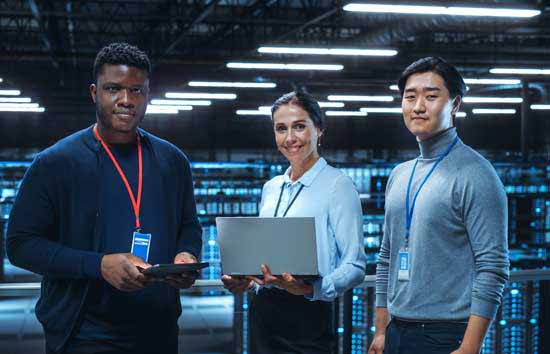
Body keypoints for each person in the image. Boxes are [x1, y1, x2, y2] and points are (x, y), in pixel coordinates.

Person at [6, 43, 202, 354]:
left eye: (137, 90)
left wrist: (186, 256)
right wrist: (98, 266)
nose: (126, 100)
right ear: (95, 92)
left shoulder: (172, 161)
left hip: (158, 329)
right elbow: (20, 244)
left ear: (148, 94)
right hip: (84, 333)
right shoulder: (55, 163)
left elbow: (189, 226)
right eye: (114, 89)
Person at [368, 57, 509, 354]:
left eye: (431, 96)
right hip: (396, 330)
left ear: (455, 105)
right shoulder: (399, 174)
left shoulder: (476, 174)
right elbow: (386, 258)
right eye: (410, 96)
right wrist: (381, 331)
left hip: (446, 335)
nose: (418, 106)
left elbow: (492, 267)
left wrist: (470, 347)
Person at [222, 91, 367, 354]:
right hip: (263, 314)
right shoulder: (271, 188)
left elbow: (355, 264)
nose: (290, 138)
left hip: (307, 316)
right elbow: (265, 258)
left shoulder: (338, 186)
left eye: (299, 127)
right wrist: (247, 279)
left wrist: (312, 288)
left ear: (319, 129)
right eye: (281, 129)